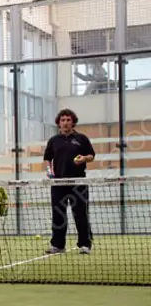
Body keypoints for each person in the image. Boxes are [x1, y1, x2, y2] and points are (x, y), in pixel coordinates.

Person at [42, 108, 95, 255]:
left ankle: (85, 245)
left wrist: (84, 158)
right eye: (63, 120)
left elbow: (91, 156)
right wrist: (48, 170)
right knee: (58, 214)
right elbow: (47, 158)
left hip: (78, 182)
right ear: (59, 123)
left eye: (68, 120)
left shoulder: (82, 138)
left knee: (80, 214)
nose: (65, 123)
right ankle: (58, 245)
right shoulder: (53, 141)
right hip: (58, 183)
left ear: (73, 122)